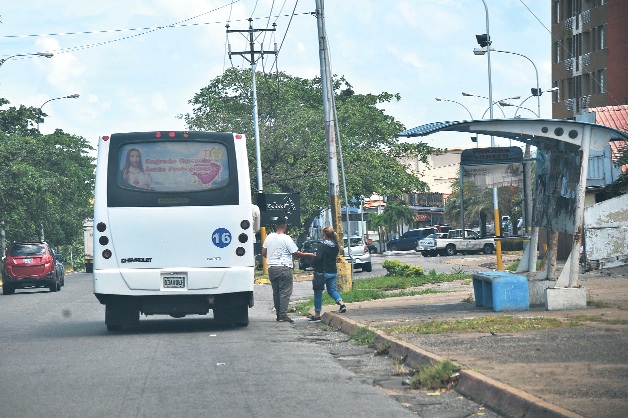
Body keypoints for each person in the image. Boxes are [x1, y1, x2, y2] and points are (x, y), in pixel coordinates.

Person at [262, 217, 315, 323]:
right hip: (284, 267)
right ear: (285, 226)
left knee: (276, 292)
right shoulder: (286, 238)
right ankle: (282, 315)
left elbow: (264, 252)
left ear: (276, 225)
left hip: (272, 268)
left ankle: (278, 314)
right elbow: (295, 253)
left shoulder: (269, 237)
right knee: (285, 292)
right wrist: (310, 255)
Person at [310, 226, 346, 322]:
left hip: (321, 272)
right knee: (332, 290)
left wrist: (312, 263)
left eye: (322, 234)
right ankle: (341, 304)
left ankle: (317, 315)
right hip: (332, 271)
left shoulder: (322, 245)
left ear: (325, 235)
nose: (322, 236)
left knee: (318, 292)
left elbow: (318, 258)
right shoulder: (335, 246)